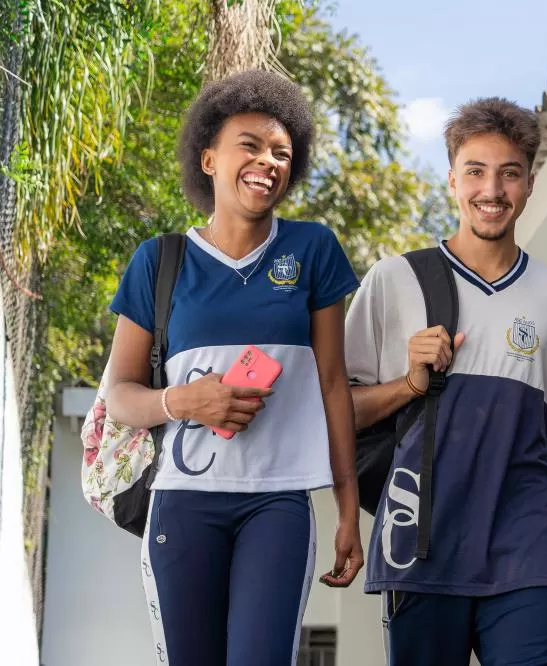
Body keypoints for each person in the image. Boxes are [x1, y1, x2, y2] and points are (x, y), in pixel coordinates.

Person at [345, 97, 547, 665]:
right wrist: (409, 384)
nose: (492, 189)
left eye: (509, 173)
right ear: (452, 180)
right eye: (476, 171)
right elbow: (340, 413)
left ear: (529, 183)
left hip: (528, 548)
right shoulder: (394, 280)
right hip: (422, 544)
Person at [104, 69, 364, 666]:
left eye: (281, 153)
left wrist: (348, 506)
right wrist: (183, 402)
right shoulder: (158, 261)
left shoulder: (313, 249)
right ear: (208, 159)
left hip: (277, 502)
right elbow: (119, 395)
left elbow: (332, 386)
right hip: (182, 502)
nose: (266, 161)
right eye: (249, 145)